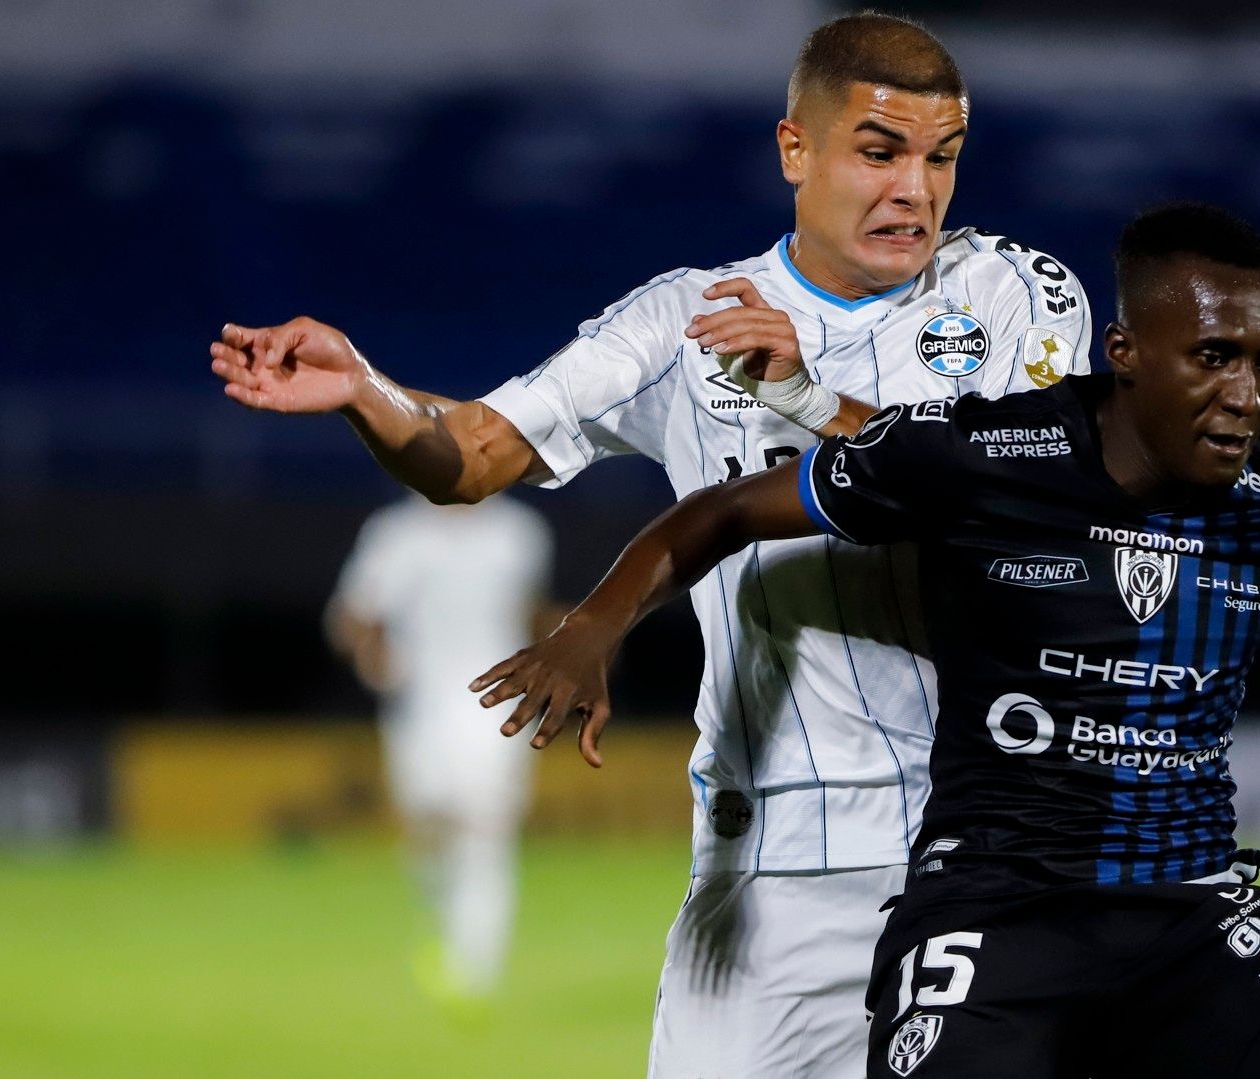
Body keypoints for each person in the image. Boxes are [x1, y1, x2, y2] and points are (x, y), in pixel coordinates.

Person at [208, 12, 1092, 1075]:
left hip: (985, 846)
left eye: (940, 157)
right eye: (879, 150)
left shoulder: (1009, 295)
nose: (916, 188)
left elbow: (1019, 500)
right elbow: (478, 449)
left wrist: (809, 395)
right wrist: (367, 390)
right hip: (767, 873)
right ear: (794, 150)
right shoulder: (685, 318)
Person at [470, 202, 1260, 1078]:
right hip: (1001, 904)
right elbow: (727, 511)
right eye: (1214, 356)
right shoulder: (990, 454)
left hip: (1195, 900)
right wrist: (593, 624)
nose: (1246, 394)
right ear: (1126, 349)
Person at [325, 493, 557, 1013]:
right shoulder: (396, 533)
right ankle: (445, 925)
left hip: (498, 704)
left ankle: (472, 969)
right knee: (428, 825)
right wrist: (372, 655)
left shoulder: (518, 532)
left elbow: (532, 613)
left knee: (484, 829)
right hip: (420, 706)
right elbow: (352, 616)